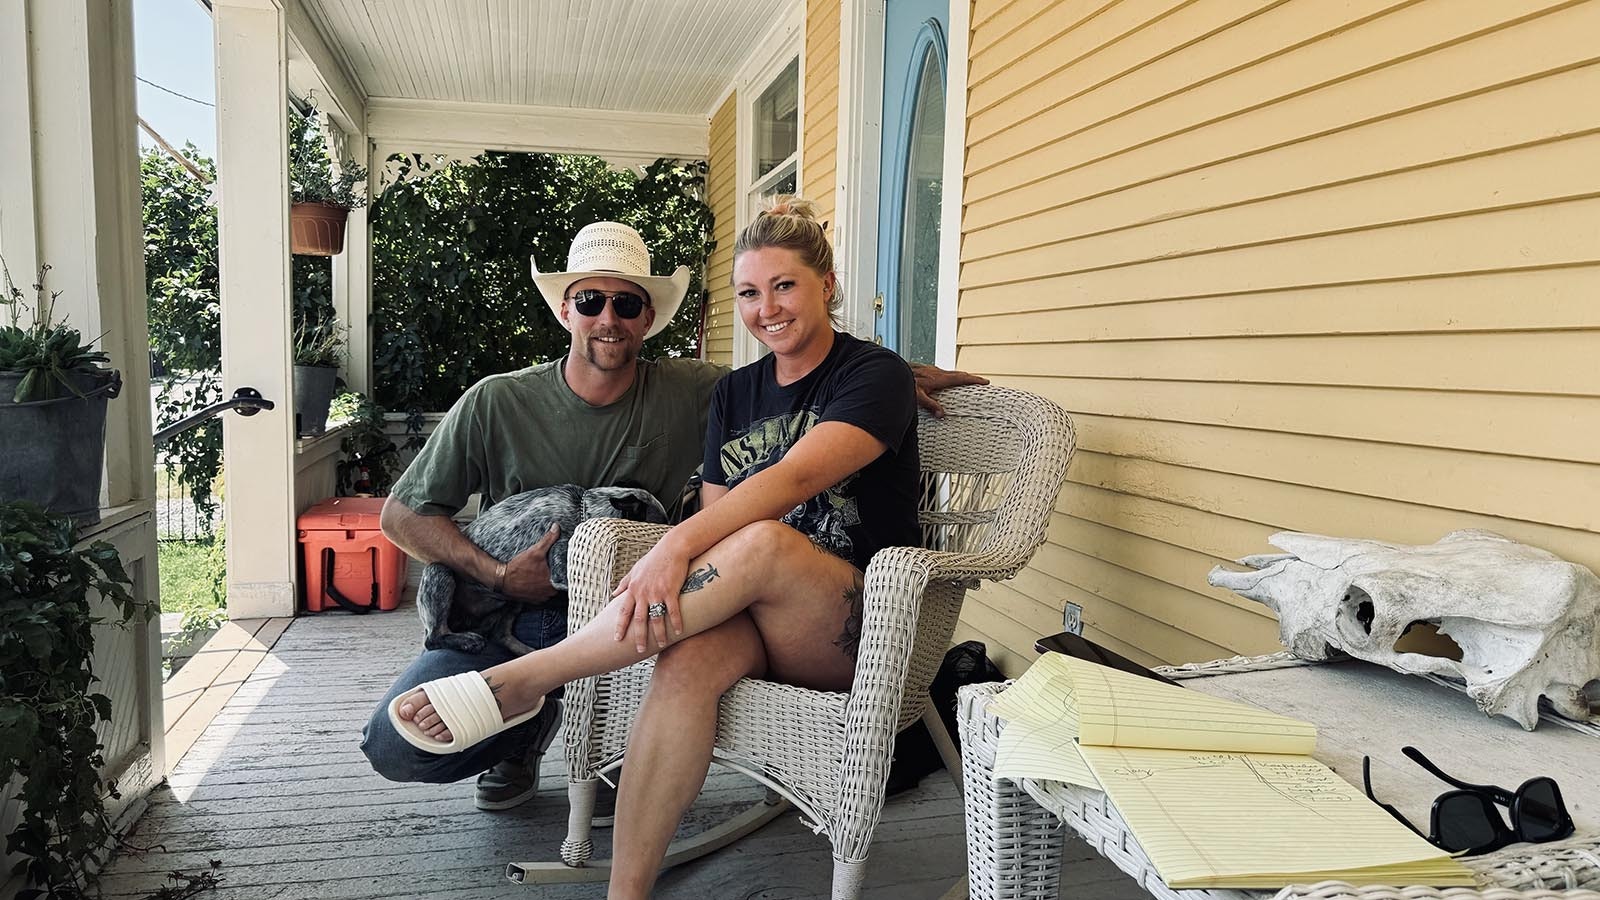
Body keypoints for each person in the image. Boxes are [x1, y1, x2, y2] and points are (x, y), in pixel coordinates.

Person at [389, 198, 924, 898]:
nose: (768, 308)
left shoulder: (873, 374)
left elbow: (792, 478)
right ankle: (627, 892)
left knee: (762, 537)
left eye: (786, 285)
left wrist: (673, 551)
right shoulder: (732, 392)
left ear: (826, 285)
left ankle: (528, 679)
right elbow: (714, 514)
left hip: (853, 627)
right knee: (684, 664)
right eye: (749, 293)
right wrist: (686, 553)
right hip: (755, 614)